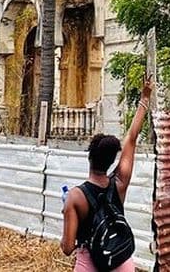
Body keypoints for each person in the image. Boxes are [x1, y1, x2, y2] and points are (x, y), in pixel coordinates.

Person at [60, 77, 152, 271]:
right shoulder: (119, 182)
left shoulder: (75, 197)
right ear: (112, 161)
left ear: (89, 157)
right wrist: (145, 97)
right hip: (121, 260)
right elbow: (131, 138)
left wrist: (68, 214)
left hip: (90, 263)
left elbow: (67, 248)